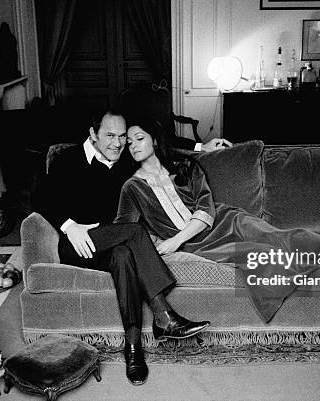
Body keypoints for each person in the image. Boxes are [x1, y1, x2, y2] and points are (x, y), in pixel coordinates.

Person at [114, 117, 320, 322]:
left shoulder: (185, 167)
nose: (133, 145)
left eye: (139, 138)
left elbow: (205, 206)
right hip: (201, 246)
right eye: (128, 142)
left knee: (286, 237)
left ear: (154, 140)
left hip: (226, 220)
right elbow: (124, 228)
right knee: (265, 257)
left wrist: (176, 238)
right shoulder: (132, 186)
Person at [32, 109, 210, 386]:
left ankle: (133, 348)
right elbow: (40, 197)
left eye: (122, 137)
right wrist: (70, 226)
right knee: (135, 232)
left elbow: (159, 143)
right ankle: (164, 315)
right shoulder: (67, 160)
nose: (117, 143)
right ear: (93, 134)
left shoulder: (126, 160)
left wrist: (201, 146)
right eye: (109, 136)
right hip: (78, 244)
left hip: (114, 242)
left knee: (124, 253)